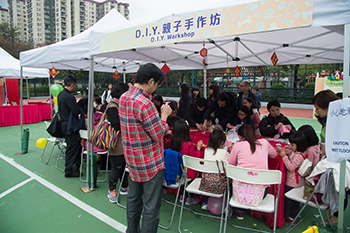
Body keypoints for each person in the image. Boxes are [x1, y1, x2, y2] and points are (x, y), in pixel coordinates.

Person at [118, 63, 172, 232]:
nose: (156, 89)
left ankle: (132, 230)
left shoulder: (124, 98)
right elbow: (158, 134)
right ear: (150, 81)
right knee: (151, 207)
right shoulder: (145, 104)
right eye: (156, 84)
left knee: (134, 200)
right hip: (150, 163)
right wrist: (164, 116)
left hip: (132, 160)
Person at [228, 124, 277, 220]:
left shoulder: (238, 145)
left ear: (240, 137)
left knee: (231, 179)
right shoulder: (264, 142)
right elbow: (274, 155)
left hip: (238, 192)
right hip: (261, 193)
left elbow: (230, 164)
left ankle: (239, 211)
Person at [277, 132, 309, 224]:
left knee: (289, 201)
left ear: (299, 145)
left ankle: (286, 216)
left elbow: (291, 167)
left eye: (292, 145)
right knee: (295, 201)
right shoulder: (298, 152)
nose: (290, 146)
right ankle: (292, 216)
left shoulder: (298, 156)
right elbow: (291, 153)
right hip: (296, 181)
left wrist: (284, 157)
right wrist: (284, 150)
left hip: (293, 182)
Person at [170, 119, 203, 205]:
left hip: (176, 170)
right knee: (196, 171)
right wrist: (199, 148)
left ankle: (181, 195)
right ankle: (190, 196)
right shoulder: (188, 144)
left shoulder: (172, 141)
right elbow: (195, 158)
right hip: (186, 172)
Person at [106, 83, 130, 203]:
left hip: (121, 142)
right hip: (115, 142)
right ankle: (111, 190)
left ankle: (124, 186)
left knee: (123, 165)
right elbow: (116, 125)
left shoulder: (118, 105)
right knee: (117, 166)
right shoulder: (112, 107)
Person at [57, 76, 82, 178]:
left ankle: (72, 168)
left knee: (71, 146)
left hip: (63, 123)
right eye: (74, 85)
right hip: (69, 125)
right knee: (73, 147)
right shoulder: (69, 97)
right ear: (72, 85)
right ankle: (69, 170)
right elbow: (76, 111)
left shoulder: (60, 94)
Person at [201, 129, 230, 210]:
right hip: (219, 186)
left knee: (209, 175)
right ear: (221, 143)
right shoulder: (225, 153)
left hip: (205, 183)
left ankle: (205, 201)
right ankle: (228, 206)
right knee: (229, 179)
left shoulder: (206, 150)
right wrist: (226, 149)